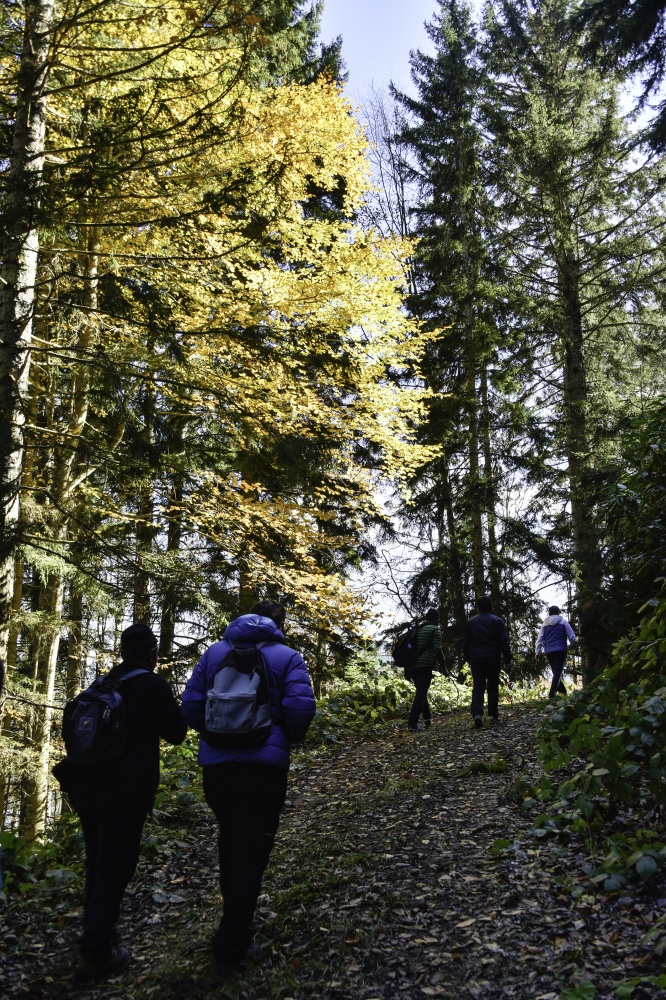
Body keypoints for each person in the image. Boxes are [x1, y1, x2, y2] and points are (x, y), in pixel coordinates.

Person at [181, 600, 316, 979]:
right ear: (278, 624)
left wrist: (212, 734)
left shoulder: (214, 653)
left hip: (218, 770)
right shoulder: (287, 657)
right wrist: (286, 738)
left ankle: (232, 927)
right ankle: (232, 942)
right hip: (262, 769)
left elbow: (190, 706)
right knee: (252, 850)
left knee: (231, 840)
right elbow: (301, 708)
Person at [53, 623, 187, 979]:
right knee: (115, 866)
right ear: (152, 653)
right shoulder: (151, 685)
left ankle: (99, 938)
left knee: (97, 861)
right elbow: (177, 733)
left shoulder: (102, 683)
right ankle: (96, 951)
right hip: (124, 790)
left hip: (85, 786)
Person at [463, 595, 513, 728]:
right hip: (493, 658)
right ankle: (493, 715)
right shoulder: (498, 621)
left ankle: (478, 714)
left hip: (477, 659)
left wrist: (468, 658)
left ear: (478, 607)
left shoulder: (471, 622)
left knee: (478, 687)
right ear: (490, 606)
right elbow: (504, 642)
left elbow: (466, 643)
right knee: (492, 686)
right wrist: (508, 658)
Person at [406, 608, 447, 732]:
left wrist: (406, 669)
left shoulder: (416, 630)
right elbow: (437, 649)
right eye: (438, 619)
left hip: (411, 666)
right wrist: (443, 666)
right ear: (435, 618)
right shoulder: (435, 629)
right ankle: (412, 723)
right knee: (421, 693)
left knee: (421, 691)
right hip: (424, 665)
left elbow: (409, 649)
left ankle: (427, 717)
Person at [536, 604, 577, 698]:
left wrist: (537, 652)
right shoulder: (563, 622)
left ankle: (563, 691)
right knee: (557, 672)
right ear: (558, 612)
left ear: (549, 613)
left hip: (549, 651)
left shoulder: (544, 624)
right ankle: (552, 694)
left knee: (556, 672)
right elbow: (572, 636)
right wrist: (575, 647)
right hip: (561, 650)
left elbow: (540, 639)